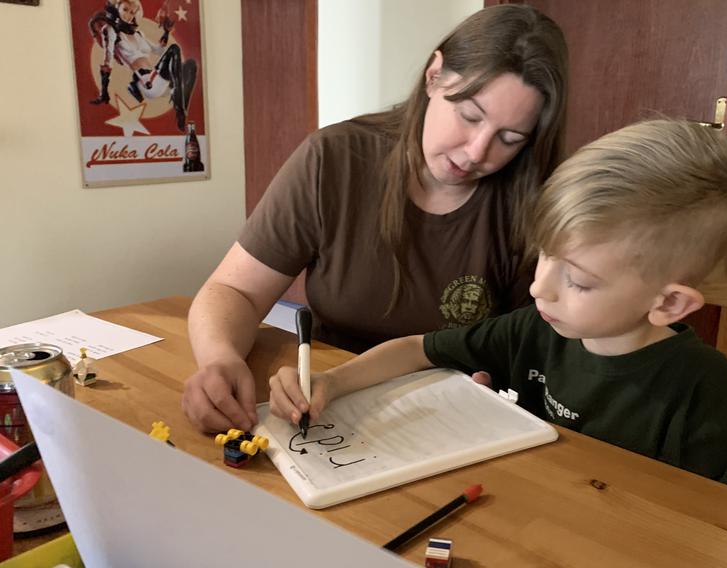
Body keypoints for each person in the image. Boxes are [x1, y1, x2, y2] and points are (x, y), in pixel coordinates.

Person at [269, 119, 727, 491]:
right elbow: (417, 348)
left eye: (578, 280)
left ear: (669, 303)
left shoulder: (708, 395)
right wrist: (331, 382)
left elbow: (717, 528)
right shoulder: (540, 328)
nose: (539, 288)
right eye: (544, 255)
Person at [182, 5, 568, 433]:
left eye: (509, 139)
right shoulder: (334, 160)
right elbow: (235, 289)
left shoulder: (534, 199)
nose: (478, 151)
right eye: (469, 116)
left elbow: (538, 346)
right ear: (433, 75)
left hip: (450, 416)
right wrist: (220, 359)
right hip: (324, 398)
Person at [88, 0, 197, 131]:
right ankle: (180, 109)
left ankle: (179, 100)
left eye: (132, 12)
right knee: (174, 49)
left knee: (191, 65)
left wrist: (166, 33)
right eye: (125, 9)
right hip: (146, 82)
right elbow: (108, 57)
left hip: (159, 78)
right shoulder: (111, 31)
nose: (129, 15)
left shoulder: (138, 34)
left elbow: (158, 50)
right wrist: (104, 92)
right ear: (116, 8)